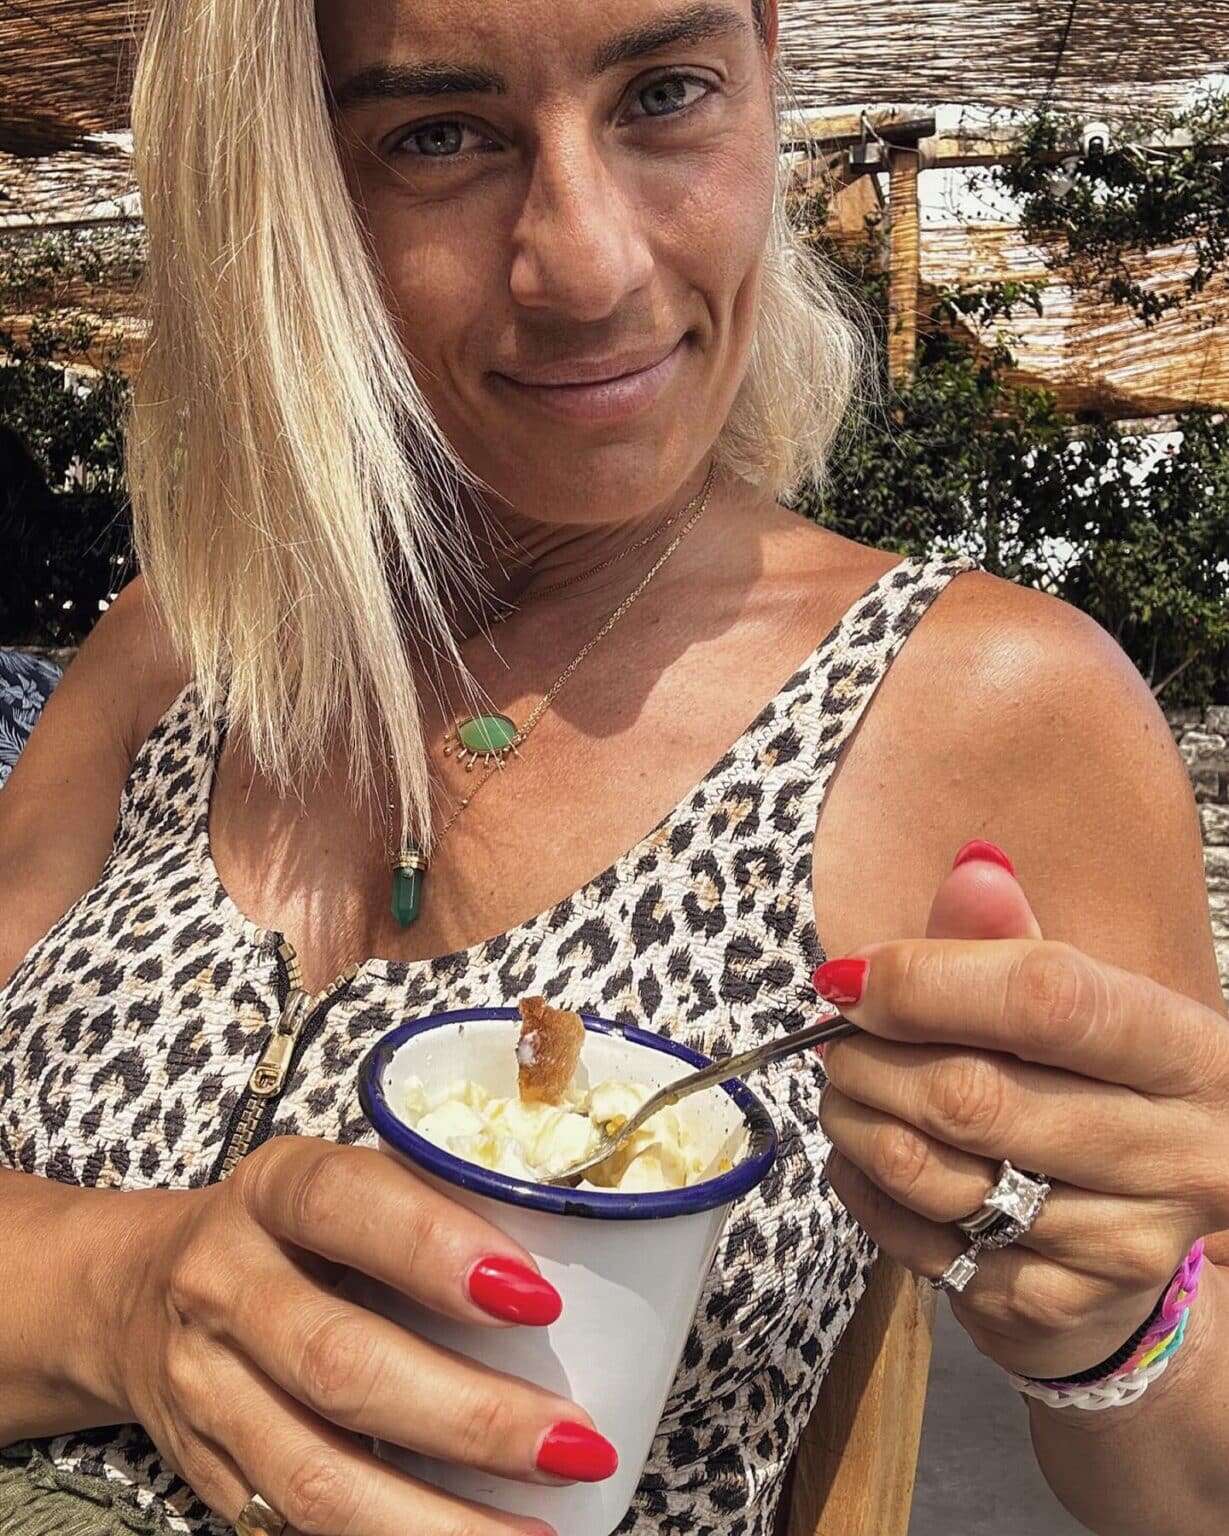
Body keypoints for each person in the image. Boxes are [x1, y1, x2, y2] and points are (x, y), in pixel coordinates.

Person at [1, 2, 1226, 1534]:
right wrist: (123, 1295)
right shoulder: (187, 642)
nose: (587, 268)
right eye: (436, 136)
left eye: (662, 94)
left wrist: (1121, 1327)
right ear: (287, 181)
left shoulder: (985, 702)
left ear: (763, 67)